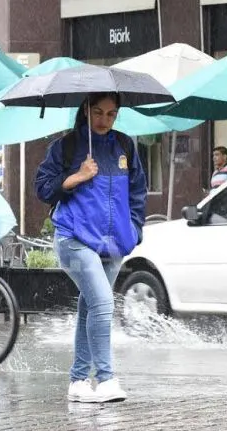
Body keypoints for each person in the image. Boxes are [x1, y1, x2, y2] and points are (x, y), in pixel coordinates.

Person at [36, 92, 147, 404]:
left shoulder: (125, 145)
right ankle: (107, 378)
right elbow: (43, 188)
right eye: (98, 112)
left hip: (114, 242)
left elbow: (137, 189)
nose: (104, 120)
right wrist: (78, 176)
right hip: (75, 237)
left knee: (91, 308)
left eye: (111, 114)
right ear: (85, 110)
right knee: (103, 305)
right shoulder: (66, 146)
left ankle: (78, 380)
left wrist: (135, 229)